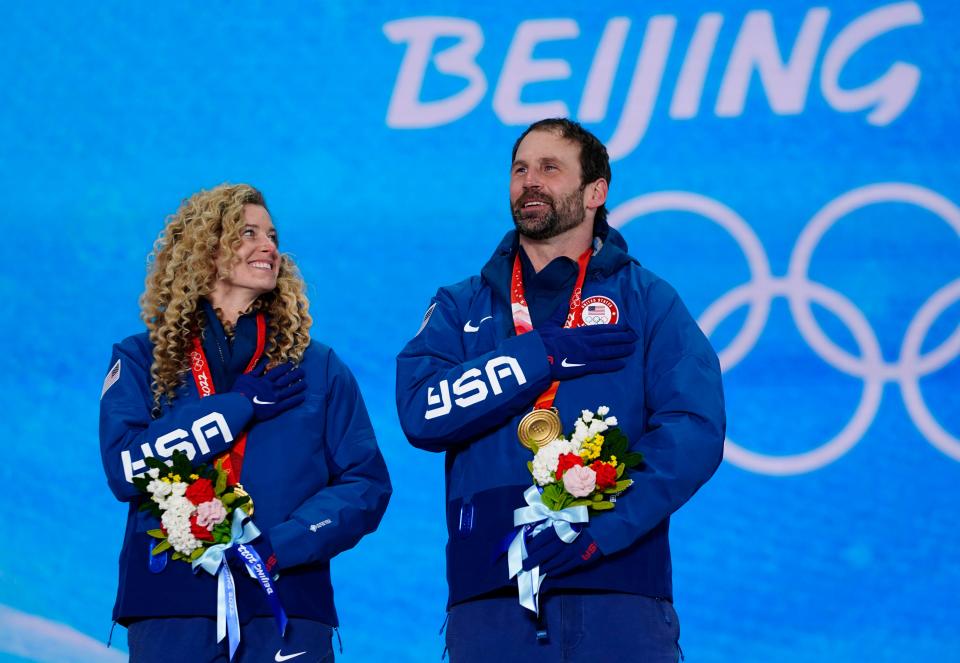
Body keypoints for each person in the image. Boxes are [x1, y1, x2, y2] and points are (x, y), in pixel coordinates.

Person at [395, 119, 725, 662]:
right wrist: (538, 357)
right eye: (520, 169)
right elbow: (420, 411)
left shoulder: (648, 300)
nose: (530, 181)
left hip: (619, 590)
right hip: (492, 595)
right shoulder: (461, 306)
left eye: (550, 168)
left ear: (596, 192)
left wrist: (604, 529)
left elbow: (694, 429)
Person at [100, 183, 391, 662]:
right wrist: (234, 408)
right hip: (172, 604)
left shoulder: (318, 367)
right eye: (248, 233)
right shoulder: (141, 359)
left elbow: (366, 483)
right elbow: (125, 466)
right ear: (204, 251)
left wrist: (283, 545)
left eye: (272, 235)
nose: (269, 246)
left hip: (285, 599)